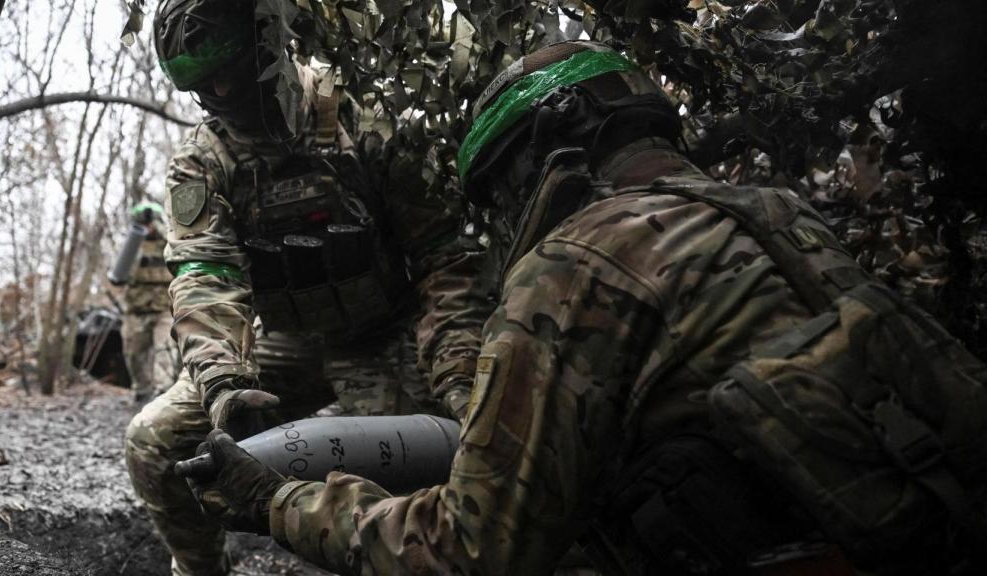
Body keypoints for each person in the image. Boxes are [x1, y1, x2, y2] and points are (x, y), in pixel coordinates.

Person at [183, 41, 987, 576]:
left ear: (548, 153)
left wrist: (273, 500)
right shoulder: (778, 212)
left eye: (501, 188)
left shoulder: (576, 262)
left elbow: (470, 549)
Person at [124, 1, 491, 574]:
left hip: (387, 337)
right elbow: (204, 279)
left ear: (269, 43)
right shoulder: (204, 162)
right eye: (199, 83)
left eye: (231, 66)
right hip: (284, 347)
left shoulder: (365, 118)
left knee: (457, 459)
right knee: (155, 440)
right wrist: (224, 384)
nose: (220, 90)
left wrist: (459, 371)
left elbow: (445, 256)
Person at [116, 200, 178, 405]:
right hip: (137, 310)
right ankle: (142, 390)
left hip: (164, 310)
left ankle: (163, 395)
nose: (147, 227)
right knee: (133, 355)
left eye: (150, 222)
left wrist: (162, 231)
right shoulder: (131, 246)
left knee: (165, 352)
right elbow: (118, 276)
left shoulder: (171, 244)